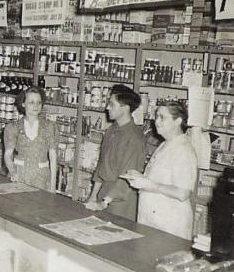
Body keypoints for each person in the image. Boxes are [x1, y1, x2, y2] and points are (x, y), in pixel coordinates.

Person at [123, 101, 198, 240]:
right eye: (156, 116)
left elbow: (183, 193)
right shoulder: (165, 144)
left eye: (162, 117)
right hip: (153, 221)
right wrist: (140, 177)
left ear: (178, 121)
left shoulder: (183, 150)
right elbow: (159, 179)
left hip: (169, 225)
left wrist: (148, 184)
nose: (157, 121)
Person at [84, 85, 146, 221]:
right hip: (104, 194)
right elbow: (101, 166)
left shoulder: (135, 138)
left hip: (121, 200)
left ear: (125, 108)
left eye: (112, 104)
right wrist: (94, 195)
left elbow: (128, 176)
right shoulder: (110, 131)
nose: (107, 108)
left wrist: (105, 202)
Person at [4, 87, 58, 192]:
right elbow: (7, 155)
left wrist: (53, 185)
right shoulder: (14, 127)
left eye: (39, 102)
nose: (36, 106)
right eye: (31, 102)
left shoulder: (49, 126)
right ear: (23, 104)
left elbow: (53, 156)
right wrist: (13, 172)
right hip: (20, 175)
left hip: (41, 178)